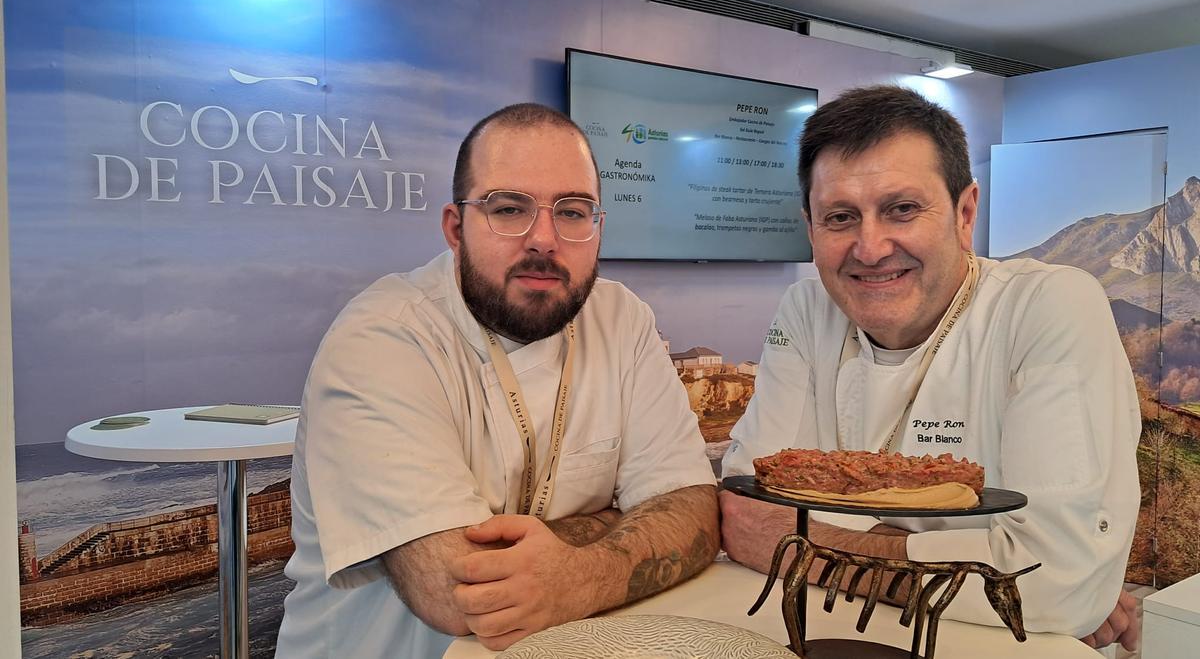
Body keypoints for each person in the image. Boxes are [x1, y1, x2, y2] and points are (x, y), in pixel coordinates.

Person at [275, 103, 719, 658]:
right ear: (456, 229)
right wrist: (620, 522)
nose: (544, 239)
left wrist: (574, 575)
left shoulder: (621, 319)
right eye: (509, 209)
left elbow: (695, 509)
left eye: (574, 212)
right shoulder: (383, 337)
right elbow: (457, 594)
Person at [720, 85, 1141, 651]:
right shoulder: (806, 308)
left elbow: (1052, 587)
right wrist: (977, 564)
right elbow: (747, 508)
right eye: (840, 217)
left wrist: (811, 544)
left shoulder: (1049, 305)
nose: (869, 248)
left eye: (902, 209)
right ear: (811, 228)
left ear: (965, 213)